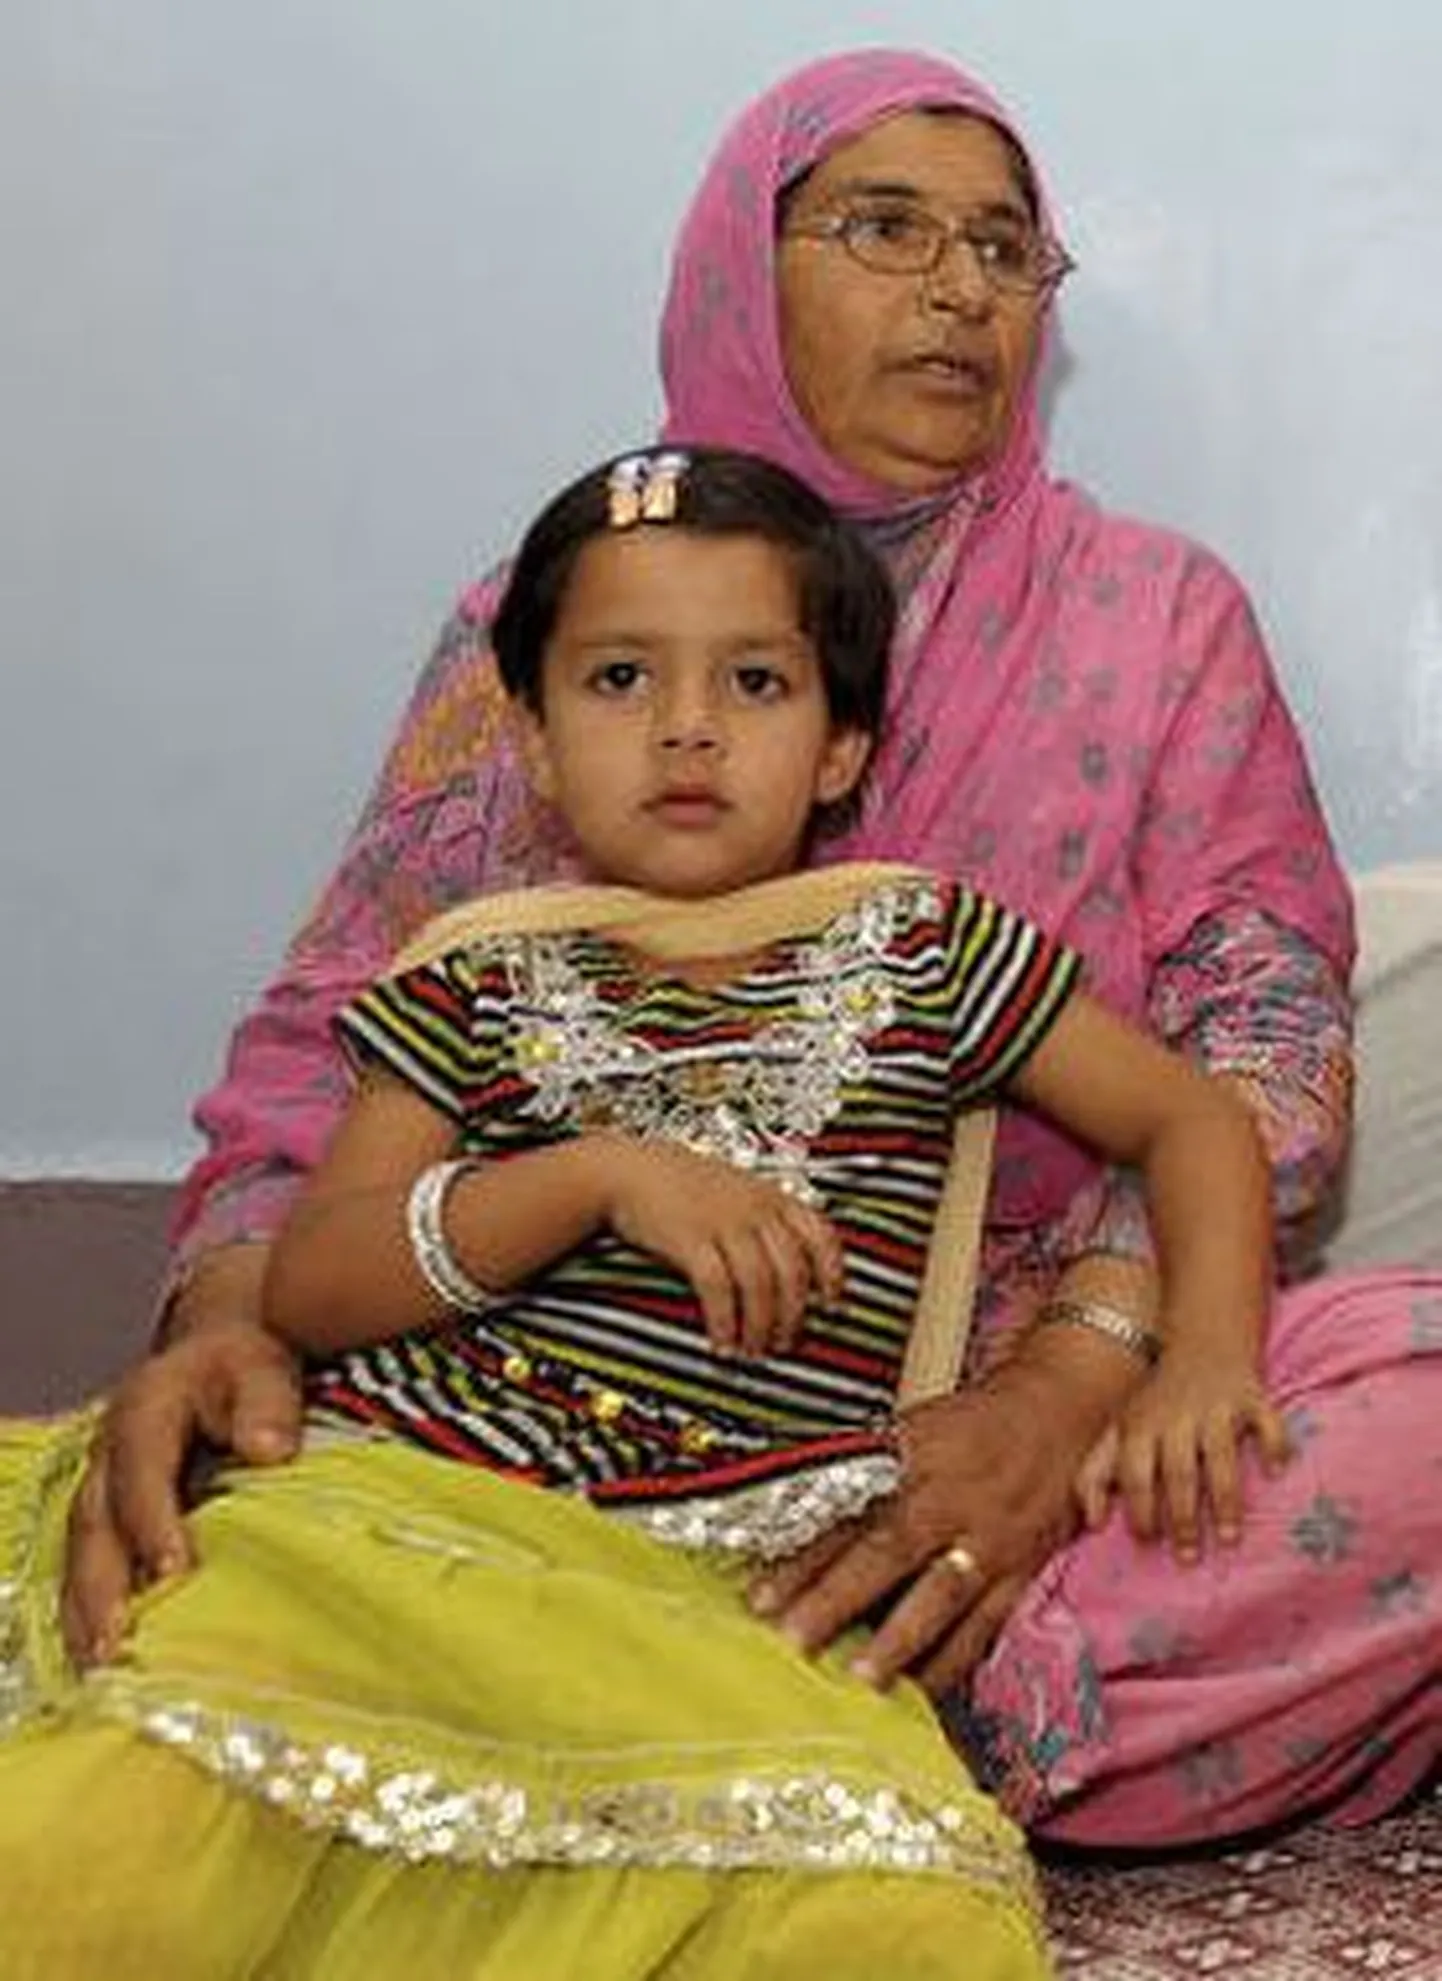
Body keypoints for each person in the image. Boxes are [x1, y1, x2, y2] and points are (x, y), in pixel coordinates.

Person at [59, 48, 1439, 1850]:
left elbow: (1254, 1041)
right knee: (255, 1510)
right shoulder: (560, 618)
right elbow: (347, 1024)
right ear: (735, 267)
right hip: (568, 1370)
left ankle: (770, 1716)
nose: (958, 291)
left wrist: (1065, 1385)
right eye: (886, 228)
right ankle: (725, 1716)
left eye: (1004, 250)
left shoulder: (1152, 620)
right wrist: (232, 1323)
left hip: (1023, 1353)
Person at [1, 437, 1274, 1975]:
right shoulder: (476, 975)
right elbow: (319, 1285)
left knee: (901, 1923)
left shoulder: (926, 946)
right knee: (118, 1837)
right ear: (532, 744)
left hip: (739, 1577)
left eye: (755, 682)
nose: (686, 726)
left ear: (841, 748)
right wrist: (586, 1181)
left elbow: (1189, 1115)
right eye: (618, 680)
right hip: (411, 1516)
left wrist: (1208, 1355)